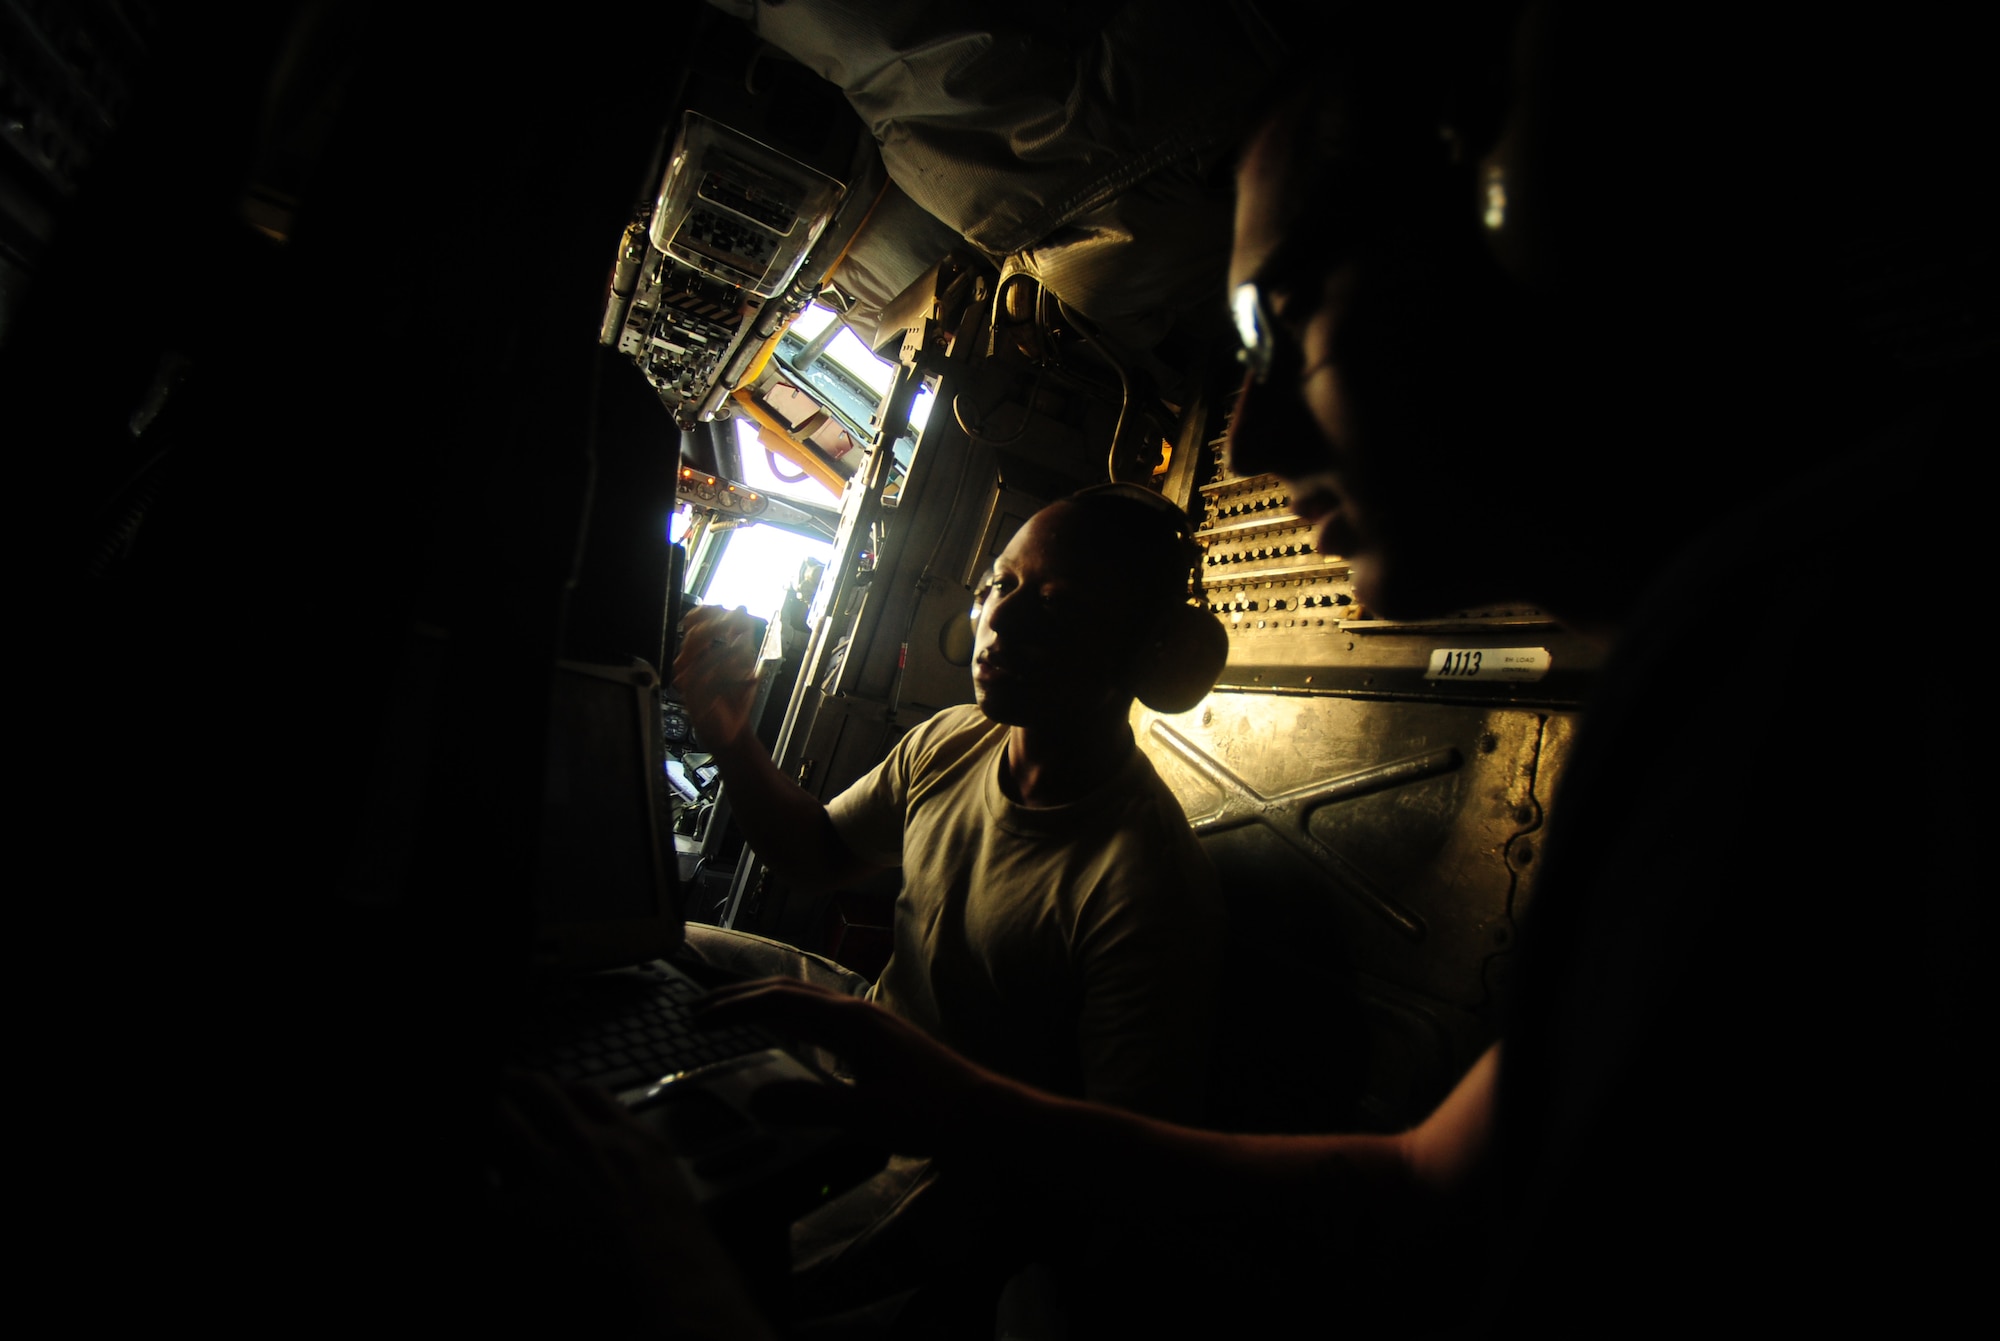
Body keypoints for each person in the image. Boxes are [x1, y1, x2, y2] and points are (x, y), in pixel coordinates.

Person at [521, 3, 1985, 1333]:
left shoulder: (1851, 648)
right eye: (992, 592)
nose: (1264, 443)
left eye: (1283, 317)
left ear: (1527, 218)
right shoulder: (1727, 648)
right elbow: (1433, 1189)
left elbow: (1136, 1214)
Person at [669, 486, 1230, 1309]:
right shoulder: (954, 738)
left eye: (1057, 603)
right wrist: (730, 733)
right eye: (1000, 585)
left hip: (959, 1148)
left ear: (1149, 654)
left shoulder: (1145, 883)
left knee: (713, 1273)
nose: (1003, 621)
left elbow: (1118, 1170)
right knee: (665, 941)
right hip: (876, 1026)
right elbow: (816, 855)